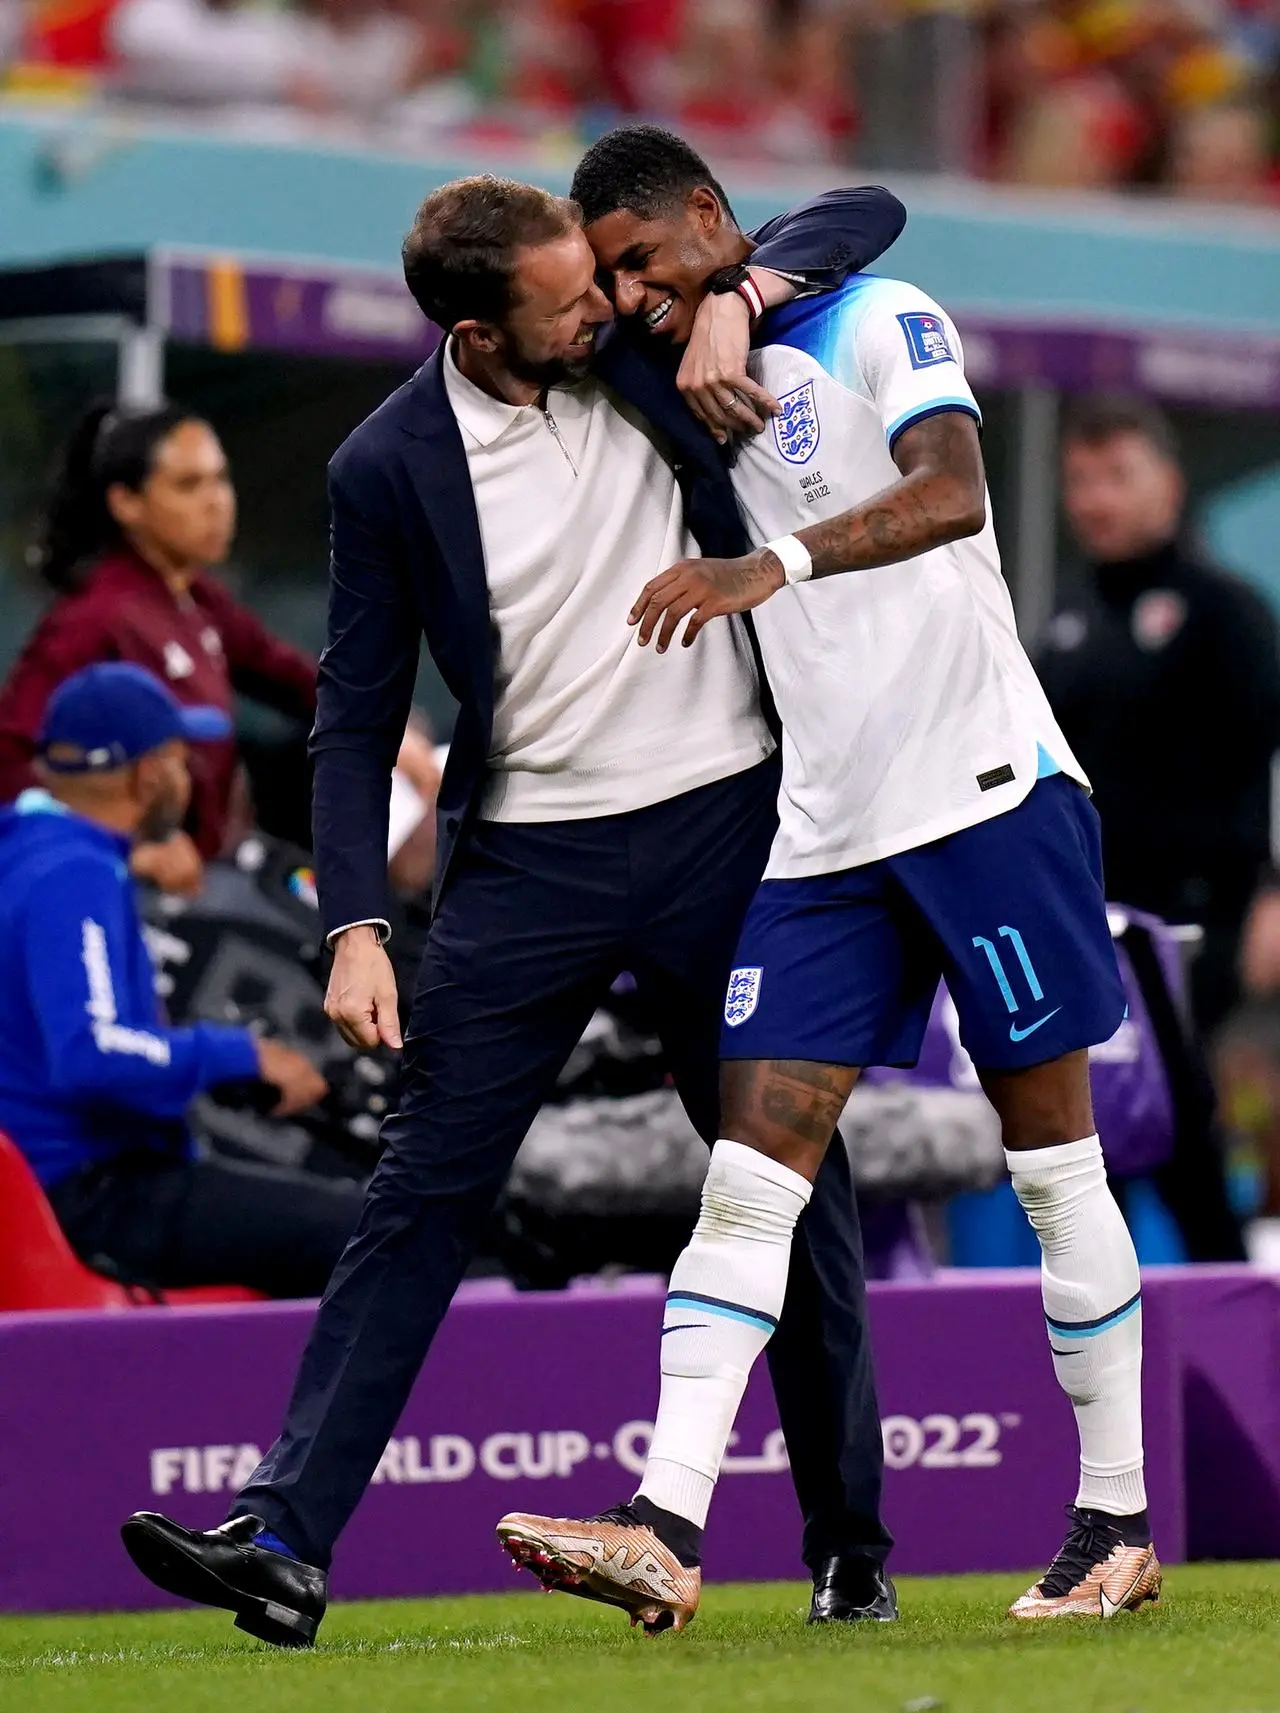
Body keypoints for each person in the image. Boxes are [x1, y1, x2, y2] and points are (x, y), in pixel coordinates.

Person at [118, 173, 910, 1647]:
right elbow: (352, 721)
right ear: (481, 333)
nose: (609, 308)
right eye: (570, 300)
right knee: (419, 1187)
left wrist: (732, 301)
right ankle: (286, 1540)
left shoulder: (646, 343)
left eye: (604, 286)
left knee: (785, 1185)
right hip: (525, 866)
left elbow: (862, 209)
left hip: (725, 825)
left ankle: (849, 1547)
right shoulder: (386, 464)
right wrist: (355, 924)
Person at [496, 124, 1159, 1631]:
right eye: (611, 280)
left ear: (712, 220)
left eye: (648, 263)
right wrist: (710, 302)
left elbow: (951, 494)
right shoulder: (670, 374)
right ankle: (665, 1521)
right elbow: (575, 310)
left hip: (985, 788)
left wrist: (766, 556)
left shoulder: (881, 312)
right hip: (828, 828)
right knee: (745, 1179)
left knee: (1054, 1167)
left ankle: (1114, 1516)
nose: (634, 298)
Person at [0, 661, 363, 1297]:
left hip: (68, 1179)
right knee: (366, 1234)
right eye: (177, 758)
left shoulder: (34, 851)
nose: (188, 777)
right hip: (89, 1192)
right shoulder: (73, 877)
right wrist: (238, 1053)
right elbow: (92, 1051)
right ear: (147, 775)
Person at [1038, 394, 1280, 1040]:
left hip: (1201, 921)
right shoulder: (1066, 614)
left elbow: (1272, 753)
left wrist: (1273, 895)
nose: (1095, 500)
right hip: (1088, 917)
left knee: (1185, 1119)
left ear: (1168, 484)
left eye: (1118, 476)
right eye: (1081, 481)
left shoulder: (1227, 612)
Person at [0, 402, 317, 893]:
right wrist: (125, 848)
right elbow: (10, 757)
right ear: (126, 502)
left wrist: (388, 728)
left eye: (220, 480)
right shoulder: (96, 617)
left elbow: (290, 674)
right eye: (189, 485)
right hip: (143, 894)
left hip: (219, 869)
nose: (217, 503)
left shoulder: (196, 596)